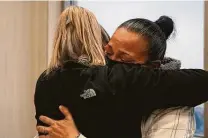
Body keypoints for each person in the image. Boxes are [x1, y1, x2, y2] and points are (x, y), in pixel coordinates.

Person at [35, 6, 208, 138]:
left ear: (152, 68)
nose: (111, 63)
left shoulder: (174, 109)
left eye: (126, 61)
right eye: (108, 52)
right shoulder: (103, 85)